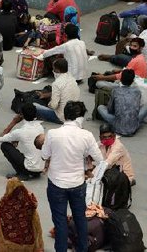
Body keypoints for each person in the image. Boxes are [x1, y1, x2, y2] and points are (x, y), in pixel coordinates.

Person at [42, 101, 105, 252]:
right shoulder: (87, 136)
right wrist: (84, 155)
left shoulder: (52, 133)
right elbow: (99, 159)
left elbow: (45, 155)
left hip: (56, 183)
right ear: (80, 117)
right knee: (80, 219)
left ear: (65, 115)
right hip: (77, 184)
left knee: (60, 221)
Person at [0, 102, 44, 180]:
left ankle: (22, 173)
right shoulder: (40, 127)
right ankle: (32, 173)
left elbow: (0, 138)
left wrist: (13, 122)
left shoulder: (20, 132)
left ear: (21, 115)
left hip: (30, 168)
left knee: (4, 145)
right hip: (40, 168)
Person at [96, 69, 147, 136]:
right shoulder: (137, 91)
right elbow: (136, 109)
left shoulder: (115, 91)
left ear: (120, 79)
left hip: (118, 126)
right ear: (132, 81)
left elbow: (110, 110)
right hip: (134, 126)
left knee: (100, 107)